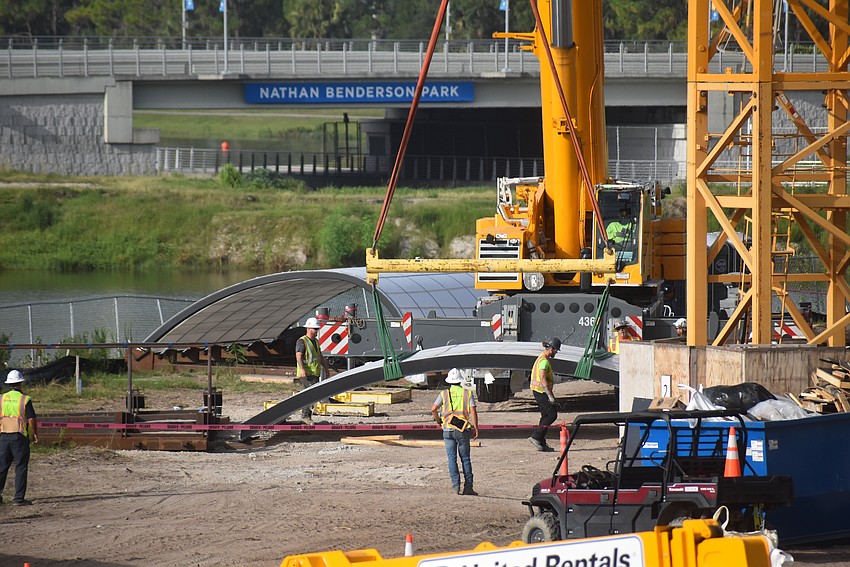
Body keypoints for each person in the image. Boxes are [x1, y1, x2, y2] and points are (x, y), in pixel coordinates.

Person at [431, 368, 479, 496]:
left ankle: (455, 487)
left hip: (447, 429)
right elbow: (473, 411)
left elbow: (433, 409)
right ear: (460, 381)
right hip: (462, 430)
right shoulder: (467, 393)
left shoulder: (444, 394)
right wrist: (475, 427)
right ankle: (468, 487)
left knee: (451, 459)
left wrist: (438, 421)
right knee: (465, 459)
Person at [0, 370, 38, 506]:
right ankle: (18, 498)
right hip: (20, 436)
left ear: (9, 383)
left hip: (3, 436)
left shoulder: (1, 398)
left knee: (2, 467)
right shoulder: (25, 399)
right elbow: (32, 418)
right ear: (20, 383)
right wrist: (34, 433)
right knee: (21, 467)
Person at [295, 317, 330, 425]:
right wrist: (302, 369)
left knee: (312, 394)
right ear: (309, 329)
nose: (316, 331)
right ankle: (306, 416)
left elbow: (319, 356)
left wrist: (326, 368)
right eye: (315, 329)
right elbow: (298, 356)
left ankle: (307, 416)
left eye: (317, 329)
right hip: (306, 373)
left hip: (314, 373)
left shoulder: (315, 341)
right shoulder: (302, 341)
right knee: (310, 394)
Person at [528, 338, 559, 452]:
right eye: (556, 350)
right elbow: (543, 378)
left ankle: (541, 442)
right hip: (541, 392)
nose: (556, 352)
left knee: (545, 416)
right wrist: (550, 395)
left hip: (539, 391)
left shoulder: (542, 358)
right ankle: (536, 436)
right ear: (551, 349)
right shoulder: (544, 361)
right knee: (552, 415)